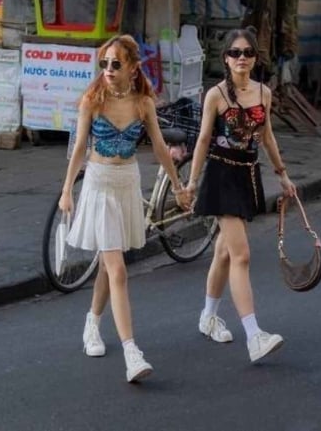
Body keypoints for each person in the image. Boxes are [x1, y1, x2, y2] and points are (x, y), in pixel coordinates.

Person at [58, 34, 191, 383]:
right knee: (117, 269)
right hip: (99, 183)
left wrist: (178, 187)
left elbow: (161, 148)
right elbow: (79, 149)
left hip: (127, 184)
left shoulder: (143, 104)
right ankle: (132, 352)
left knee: (108, 262)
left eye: (116, 64)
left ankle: (92, 322)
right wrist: (66, 191)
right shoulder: (93, 100)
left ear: (132, 68)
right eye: (104, 63)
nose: (108, 70)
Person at [186, 28, 297, 364]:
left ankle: (208, 316)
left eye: (247, 53)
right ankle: (254, 336)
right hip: (221, 176)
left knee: (223, 252)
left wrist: (283, 174)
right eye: (235, 53)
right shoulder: (216, 95)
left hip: (247, 175)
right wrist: (191, 183)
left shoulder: (263, 93)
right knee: (242, 255)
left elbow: (267, 138)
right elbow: (204, 140)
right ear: (226, 59)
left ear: (255, 58)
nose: (242, 58)